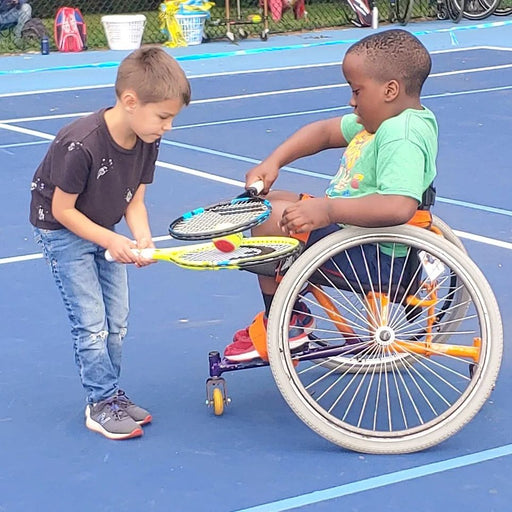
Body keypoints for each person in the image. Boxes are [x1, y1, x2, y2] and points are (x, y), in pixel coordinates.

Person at [223, 29, 438, 362]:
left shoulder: (401, 135)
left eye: (356, 91)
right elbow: (323, 133)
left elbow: (398, 206)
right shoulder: (386, 121)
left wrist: (328, 210)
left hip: (376, 258)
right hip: (361, 242)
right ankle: (287, 311)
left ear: (390, 90)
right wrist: (273, 162)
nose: (352, 101)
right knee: (273, 199)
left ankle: (284, 322)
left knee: (267, 218)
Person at [30, 47, 191, 440]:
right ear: (130, 101)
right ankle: (99, 402)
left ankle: (111, 394)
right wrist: (111, 240)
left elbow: (135, 200)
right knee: (91, 325)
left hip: (104, 225)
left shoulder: (147, 138)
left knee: (116, 323)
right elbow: (63, 211)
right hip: (62, 231)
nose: (168, 127)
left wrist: (142, 238)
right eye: (164, 117)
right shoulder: (80, 144)